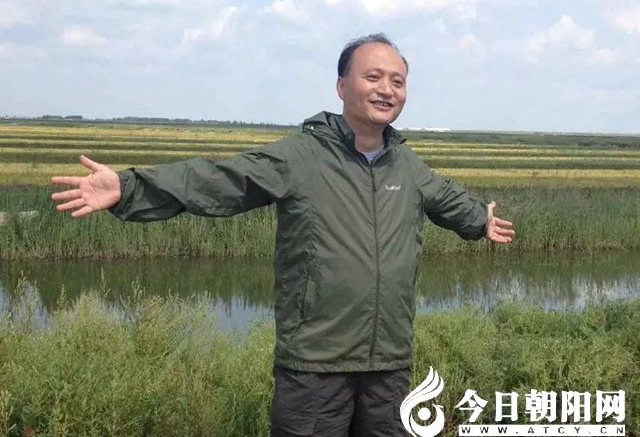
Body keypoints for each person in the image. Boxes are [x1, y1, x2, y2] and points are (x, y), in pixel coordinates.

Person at [51, 33, 514, 437]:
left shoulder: (405, 164)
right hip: (315, 365)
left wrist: (480, 220)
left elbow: (446, 197)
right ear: (342, 86)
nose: (386, 89)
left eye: (397, 81)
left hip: (388, 364)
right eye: (373, 77)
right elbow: (222, 179)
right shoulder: (302, 156)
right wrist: (129, 187)